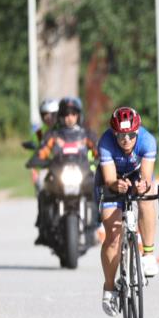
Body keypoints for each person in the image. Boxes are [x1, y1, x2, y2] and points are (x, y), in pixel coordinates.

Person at [96, 107, 159, 316]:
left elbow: (147, 176)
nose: (126, 140)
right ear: (114, 133)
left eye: (131, 135)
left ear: (137, 132)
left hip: (135, 176)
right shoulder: (106, 143)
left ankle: (148, 254)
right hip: (111, 180)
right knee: (113, 236)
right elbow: (109, 179)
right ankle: (109, 288)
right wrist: (116, 185)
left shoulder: (147, 141)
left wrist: (142, 185)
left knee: (147, 195)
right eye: (121, 136)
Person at [31, 97, 97, 246]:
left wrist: (102, 158)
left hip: (82, 173)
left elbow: (97, 148)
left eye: (73, 114)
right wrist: (37, 159)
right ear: (60, 116)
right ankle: (43, 227)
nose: (70, 118)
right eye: (66, 114)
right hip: (59, 174)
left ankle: (94, 227)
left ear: (79, 115)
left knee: (96, 190)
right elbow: (43, 150)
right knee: (44, 192)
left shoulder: (86, 134)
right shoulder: (53, 135)